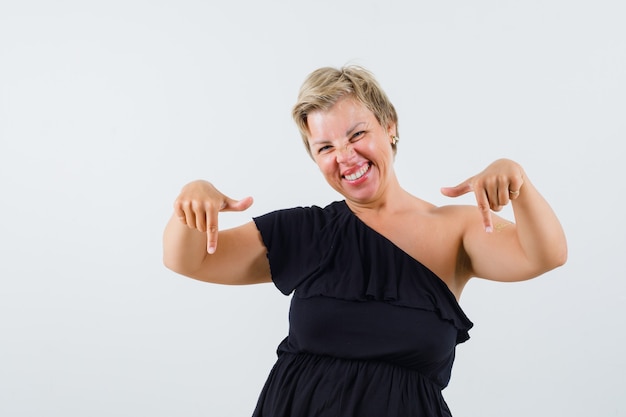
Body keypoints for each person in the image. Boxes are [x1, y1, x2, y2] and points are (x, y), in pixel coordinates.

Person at [162, 65, 567, 417]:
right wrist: (192, 197)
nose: (345, 156)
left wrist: (517, 181)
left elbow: (546, 254)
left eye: (357, 134)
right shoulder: (306, 232)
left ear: (389, 127)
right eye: (325, 147)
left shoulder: (455, 230)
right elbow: (187, 259)